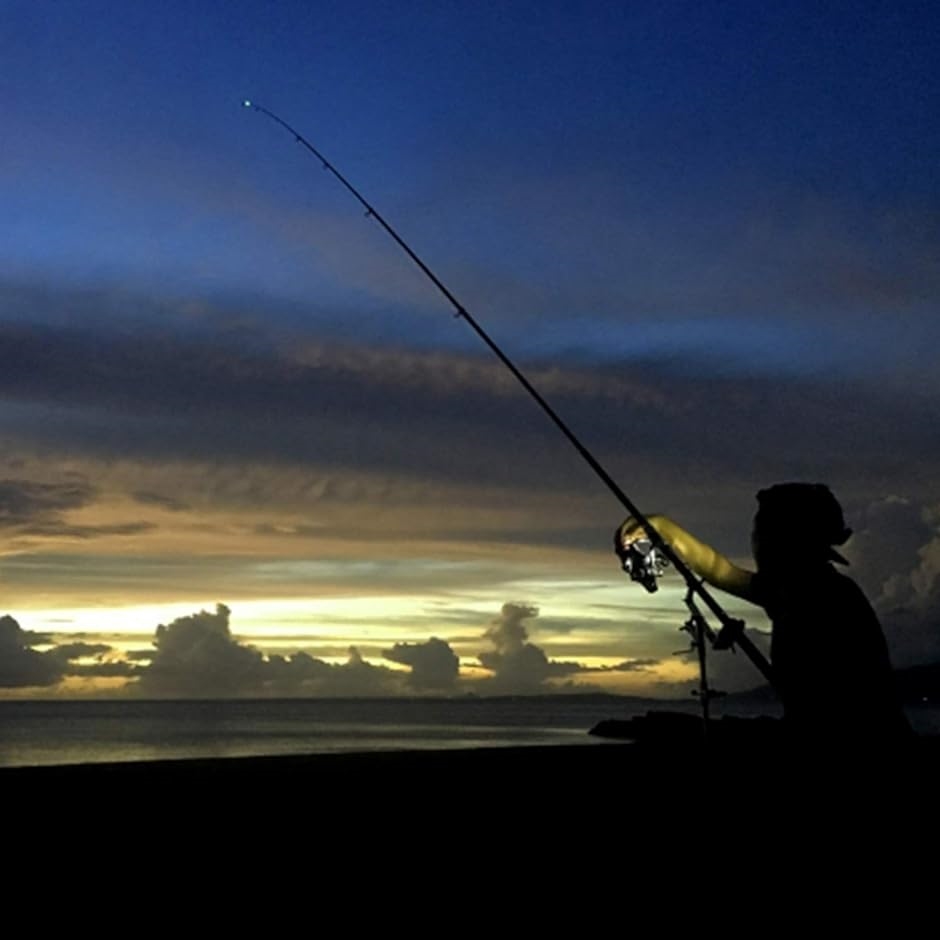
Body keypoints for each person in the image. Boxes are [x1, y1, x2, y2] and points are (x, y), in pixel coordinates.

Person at [616, 482, 912, 745]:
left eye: (761, 534)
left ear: (788, 540)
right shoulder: (801, 588)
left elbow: (837, 714)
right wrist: (661, 526)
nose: (756, 545)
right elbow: (719, 570)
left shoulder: (822, 596)